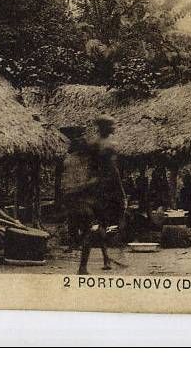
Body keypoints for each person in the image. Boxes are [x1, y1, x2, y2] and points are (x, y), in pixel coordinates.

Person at [68, 114, 126, 275]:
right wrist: (121, 193)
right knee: (97, 227)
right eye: (112, 125)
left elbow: (87, 166)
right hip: (103, 191)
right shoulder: (109, 146)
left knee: (99, 226)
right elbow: (113, 172)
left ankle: (105, 259)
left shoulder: (92, 144)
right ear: (104, 127)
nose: (114, 127)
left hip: (92, 188)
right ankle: (83, 267)